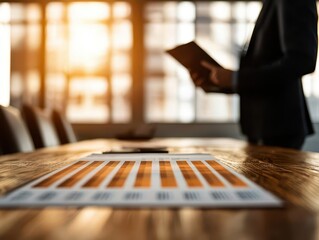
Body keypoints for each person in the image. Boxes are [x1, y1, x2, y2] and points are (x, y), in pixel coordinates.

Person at [191, 0, 318, 149]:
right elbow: (264, 68)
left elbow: (301, 61)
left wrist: (235, 78)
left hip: (278, 128)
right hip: (262, 129)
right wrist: (219, 81)